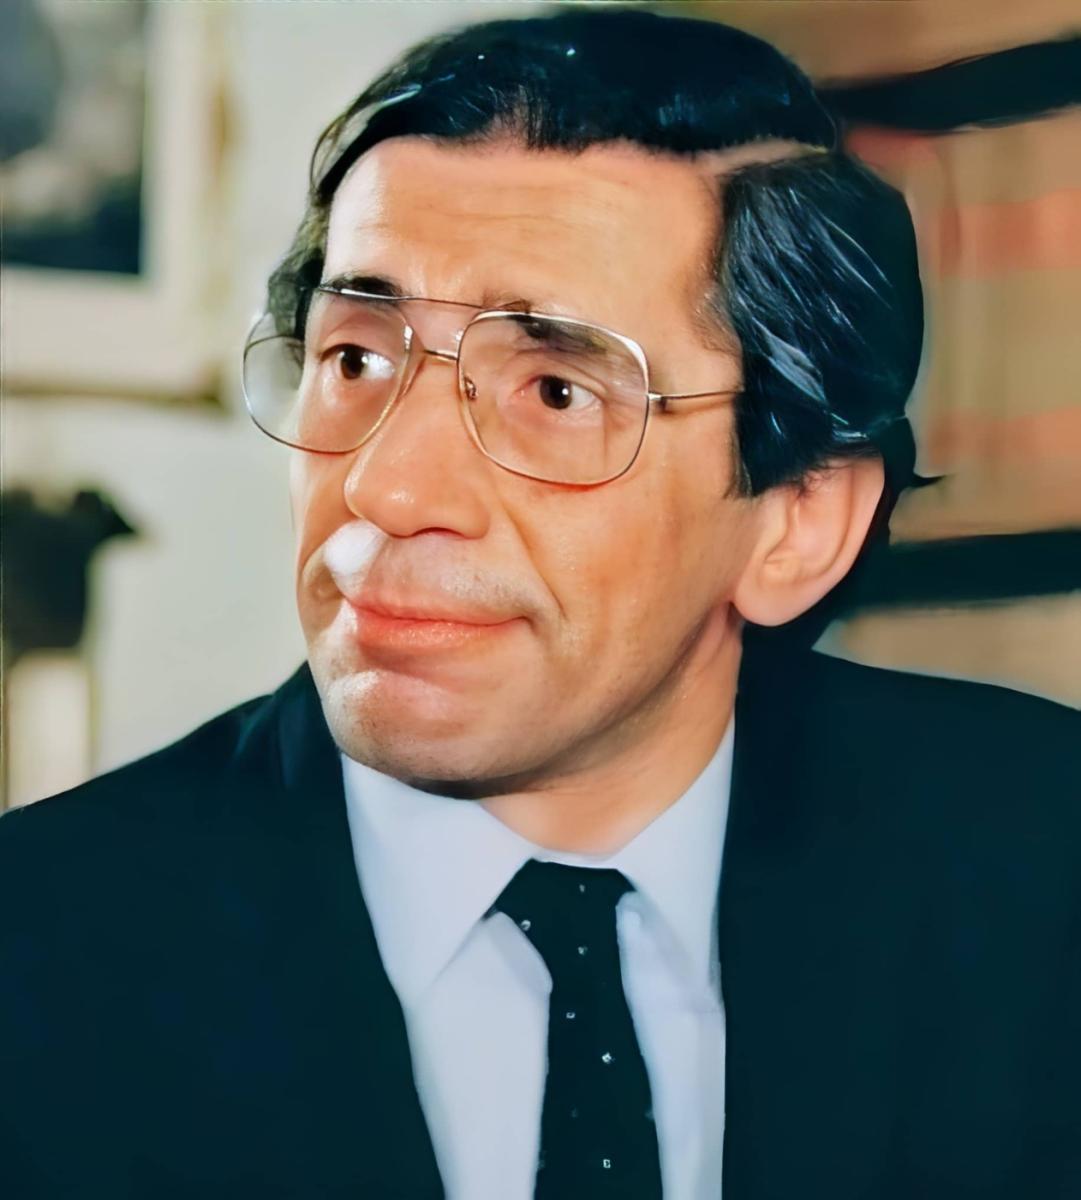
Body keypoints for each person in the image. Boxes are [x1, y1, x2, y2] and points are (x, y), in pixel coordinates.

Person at [1, 9, 1077, 1199]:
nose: (386, 486)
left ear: (796, 521)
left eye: (556, 390)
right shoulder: (37, 954)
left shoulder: (1040, 878)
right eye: (355, 359)